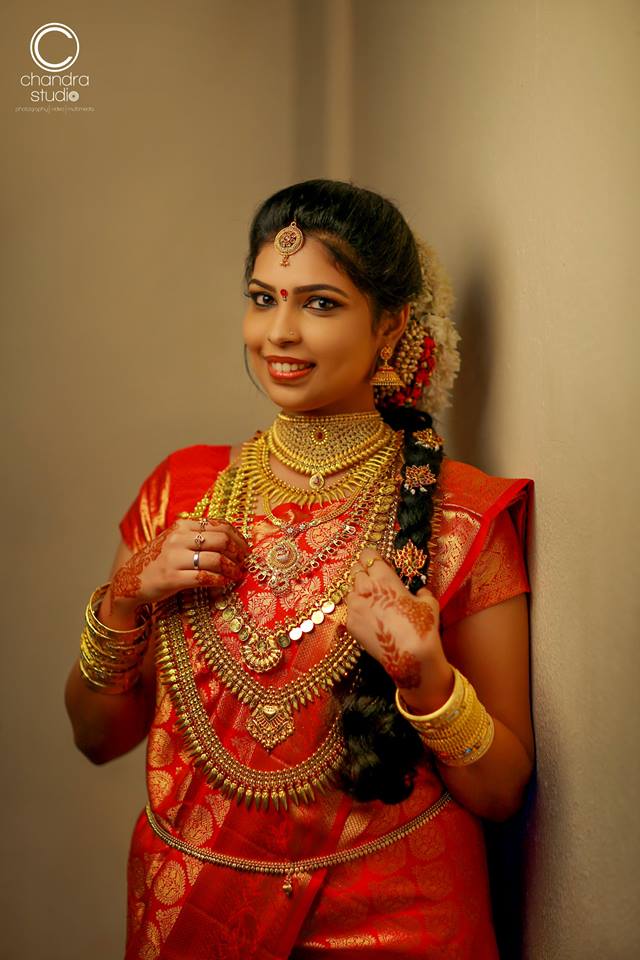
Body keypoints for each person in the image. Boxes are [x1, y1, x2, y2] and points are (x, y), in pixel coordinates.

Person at [65, 179, 534, 959]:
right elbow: (97, 736)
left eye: (319, 303)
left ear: (390, 328)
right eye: (262, 297)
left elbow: (503, 790)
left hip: (405, 922)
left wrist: (426, 678)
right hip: (193, 915)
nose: (277, 332)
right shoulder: (181, 491)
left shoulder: (460, 516)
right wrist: (122, 600)